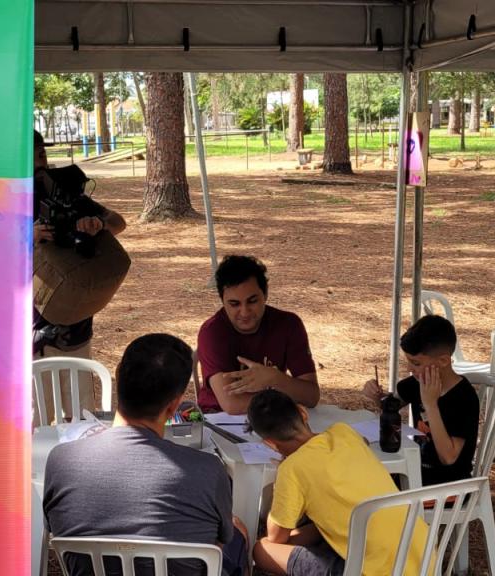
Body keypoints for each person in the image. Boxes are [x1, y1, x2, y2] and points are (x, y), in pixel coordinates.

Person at [42, 334, 247, 576]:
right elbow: (221, 540)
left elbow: (54, 528)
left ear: (118, 377)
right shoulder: (209, 470)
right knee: (238, 529)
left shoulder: (60, 461)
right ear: (173, 406)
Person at [247, 389, 428, 576]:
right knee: (319, 528)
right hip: (424, 559)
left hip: (367, 570)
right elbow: (363, 441)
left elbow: (276, 536)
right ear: (303, 412)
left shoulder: (291, 469)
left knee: (262, 549)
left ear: (269, 443)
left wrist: (281, 480)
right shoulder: (343, 431)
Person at [33, 130, 127, 417]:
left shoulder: (67, 193)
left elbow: (118, 222)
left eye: (42, 154)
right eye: (34, 156)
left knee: (80, 413)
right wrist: (27, 235)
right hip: (31, 331)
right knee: (39, 418)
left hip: (75, 325)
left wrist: (96, 224)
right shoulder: (1, 199)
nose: (41, 163)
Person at [364, 315, 479, 487]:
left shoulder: (463, 398)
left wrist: (431, 405)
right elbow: (389, 405)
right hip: (414, 474)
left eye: (416, 363)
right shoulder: (417, 383)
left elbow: (448, 457)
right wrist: (376, 396)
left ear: (443, 361)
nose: (410, 369)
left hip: (447, 487)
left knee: (368, 494)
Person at [197, 255, 319, 415]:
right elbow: (233, 405)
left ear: (265, 295)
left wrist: (275, 379)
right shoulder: (212, 332)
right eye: (234, 304)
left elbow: (311, 396)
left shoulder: (289, 324)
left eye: (252, 301)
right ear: (222, 301)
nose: (244, 312)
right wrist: (281, 388)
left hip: (274, 418)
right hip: (219, 420)